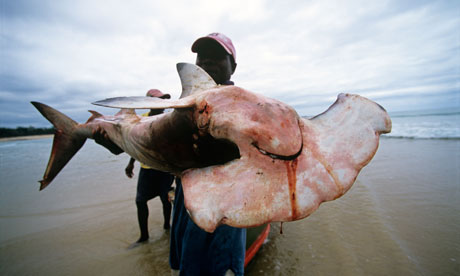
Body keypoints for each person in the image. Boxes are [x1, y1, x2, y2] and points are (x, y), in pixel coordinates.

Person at [169, 33, 245, 276]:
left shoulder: (245, 105)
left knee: (221, 268)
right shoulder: (184, 105)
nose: (207, 62)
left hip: (225, 208)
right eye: (202, 58)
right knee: (185, 265)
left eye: (217, 57)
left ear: (233, 66)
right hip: (185, 201)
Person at [125, 89, 175, 246]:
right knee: (140, 201)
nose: (162, 104)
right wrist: (131, 162)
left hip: (164, 168)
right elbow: (136, 144)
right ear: (148, 103)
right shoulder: (140, 120)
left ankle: (168, 226)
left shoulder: (168, 119)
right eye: (157, 100)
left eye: (163, 100)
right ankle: (144, 236)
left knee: (165, 199)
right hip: (146, 168)